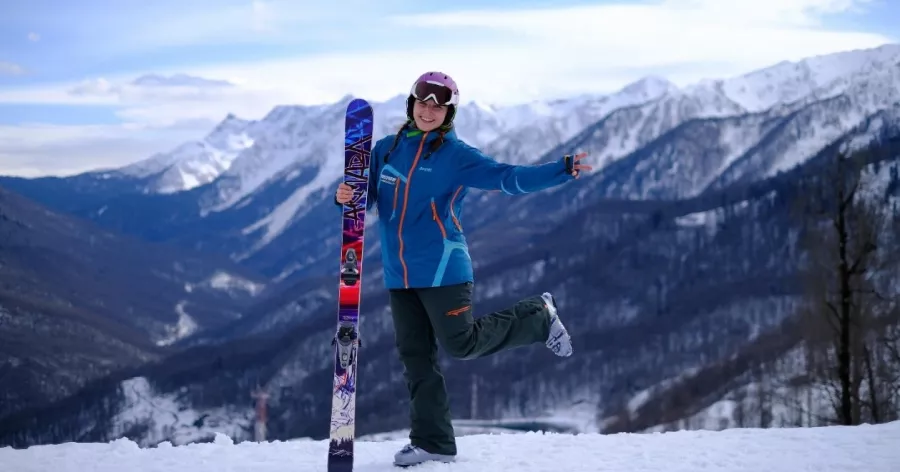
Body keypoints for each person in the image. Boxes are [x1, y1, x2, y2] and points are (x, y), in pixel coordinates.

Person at [334, 71, 591, 467]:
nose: (428, 111)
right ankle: (433, 443)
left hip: (443, 270)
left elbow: (509, 178)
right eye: (422, 103)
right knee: (415, 358)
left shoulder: (457, 157)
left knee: (461, 344)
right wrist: (345, 195)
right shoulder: (386, 150)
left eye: (438, 106)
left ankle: (538, 316)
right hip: (398, 275)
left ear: (449, 113)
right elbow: (360, 201)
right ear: (411, 105)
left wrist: (562, 169)